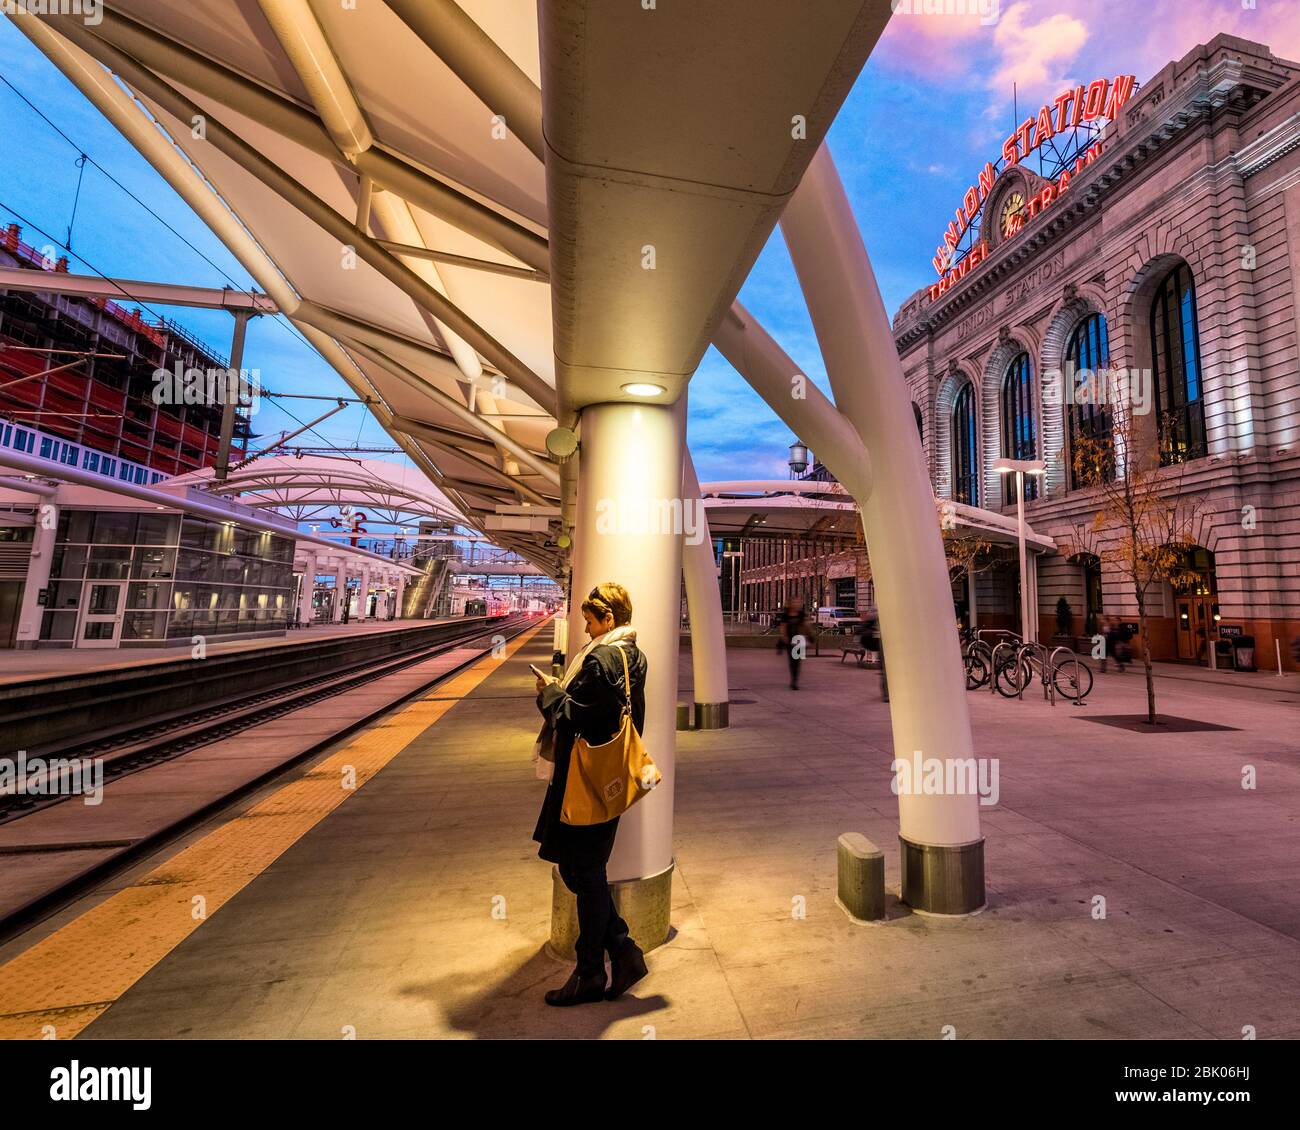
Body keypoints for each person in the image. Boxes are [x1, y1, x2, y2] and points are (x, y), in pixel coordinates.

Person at [532, 581, 649, 1007]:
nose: (585, 628)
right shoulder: (634, 656)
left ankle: (590, 972)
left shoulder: (600, 660)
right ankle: (622, 950)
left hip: (584, 780)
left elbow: (580, 719)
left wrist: (550, 693)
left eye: (589, 620)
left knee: (584, 870)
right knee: (582, 869)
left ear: (609, 619)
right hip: (610, 776)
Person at [779, 598, 808, 689]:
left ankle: (795, 681)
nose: (796, 604)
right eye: (794, 602)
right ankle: (793, 679)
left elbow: (806, 625)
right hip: (790, 639)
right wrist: (784, 637)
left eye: (798, 603)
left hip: (799, 639)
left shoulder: (801, 614)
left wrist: (807, 636)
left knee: (797, 661)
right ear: (790, 604)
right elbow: (783, 626)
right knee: (792, 661)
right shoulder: (786, 614)